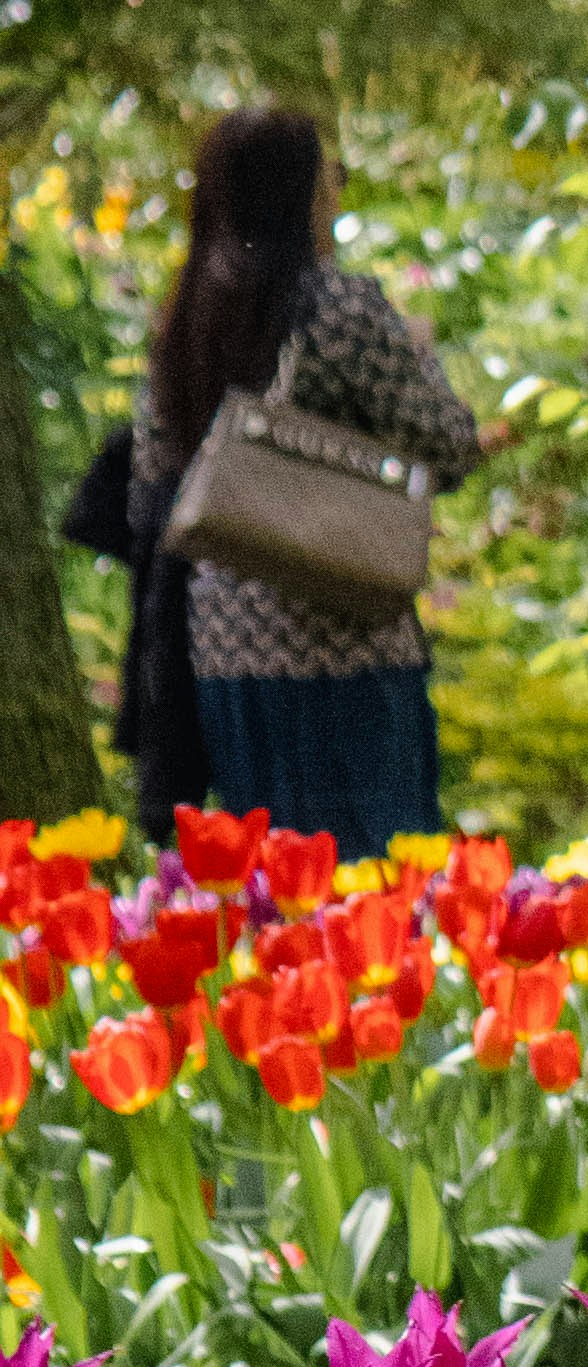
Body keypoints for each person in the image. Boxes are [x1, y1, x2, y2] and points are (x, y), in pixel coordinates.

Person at [129, 106, 477, 852]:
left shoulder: (183, 317)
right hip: (348, 642)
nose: (338, 195)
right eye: (332, 178)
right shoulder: (340, 307)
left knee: (272, 896)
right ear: (303, 194)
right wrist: (417, 352)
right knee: (373, 897)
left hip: (224, 655)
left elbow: (153, 478)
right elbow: (449, 443)